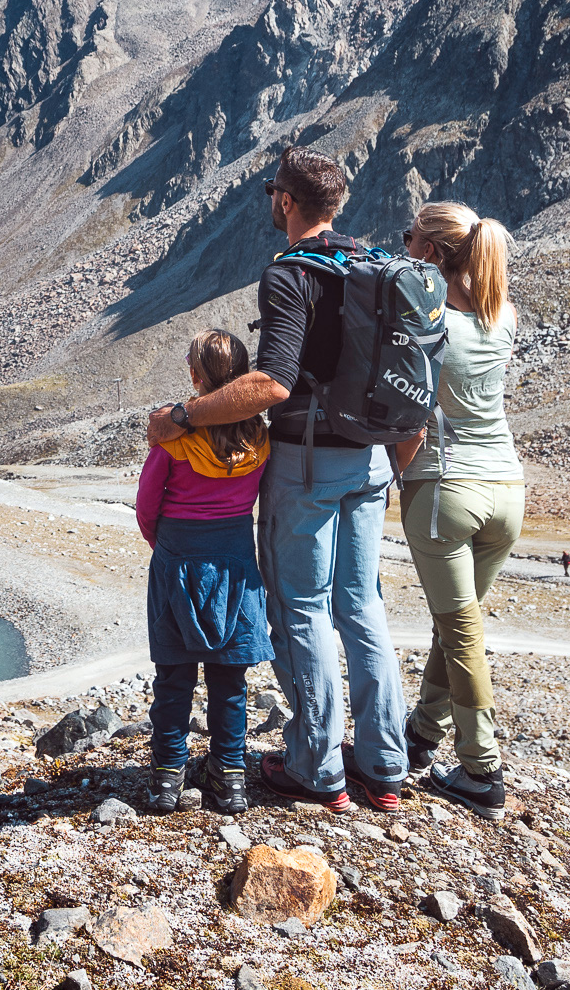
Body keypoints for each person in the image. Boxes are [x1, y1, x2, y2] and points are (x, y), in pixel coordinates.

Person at [153, 146, 407, 813]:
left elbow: (272, 381)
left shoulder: (289, 274)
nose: (272, 201)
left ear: (288, 202)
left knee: (302, 608)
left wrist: (183, 415)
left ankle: (316, 766)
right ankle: (384, 766)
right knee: (362, 604)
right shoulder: (370, 260)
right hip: (371, 458)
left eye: (274, 193)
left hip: (311, 460)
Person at [394, 200, 524, 812]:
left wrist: (390, 477)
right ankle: (423, 733)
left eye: (410, 238)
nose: (403, 247)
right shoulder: (505, 318)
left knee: (461, 630)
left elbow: (414, 417)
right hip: (507, 490)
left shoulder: (429, 318)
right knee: (457, 624)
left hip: (445, 489)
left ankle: (481, 769)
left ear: (434, 253)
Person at [132, 328, 275, 816]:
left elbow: (146, 507)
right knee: (229, 682)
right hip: (235, 563)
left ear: (195, 375)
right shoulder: (259, 439)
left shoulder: (174, 440)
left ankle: (167, 778)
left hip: (178, 562)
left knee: (173, 679)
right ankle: (229, 777)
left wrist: (167, 545)